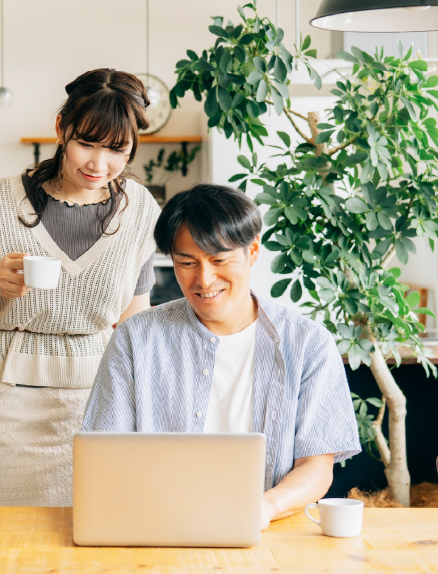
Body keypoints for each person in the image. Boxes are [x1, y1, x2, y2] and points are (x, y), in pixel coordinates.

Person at [81, 183, 361, 529]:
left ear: (252, 251)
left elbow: (316, 467)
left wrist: (265, 508)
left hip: (270, 529)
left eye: (219, 259)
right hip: (157, 525)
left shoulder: (308, 344)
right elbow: (106, 456)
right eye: (186, 262)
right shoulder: (135, 339)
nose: (204, 279)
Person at [0, 69, 161, 507]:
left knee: (101, 526)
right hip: (17, 397)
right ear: (62, 128)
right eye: (86, 143)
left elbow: (135, 320)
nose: (98, 164)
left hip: (104, 393)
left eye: (116, 150)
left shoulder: (139, 210)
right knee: (26, 530)